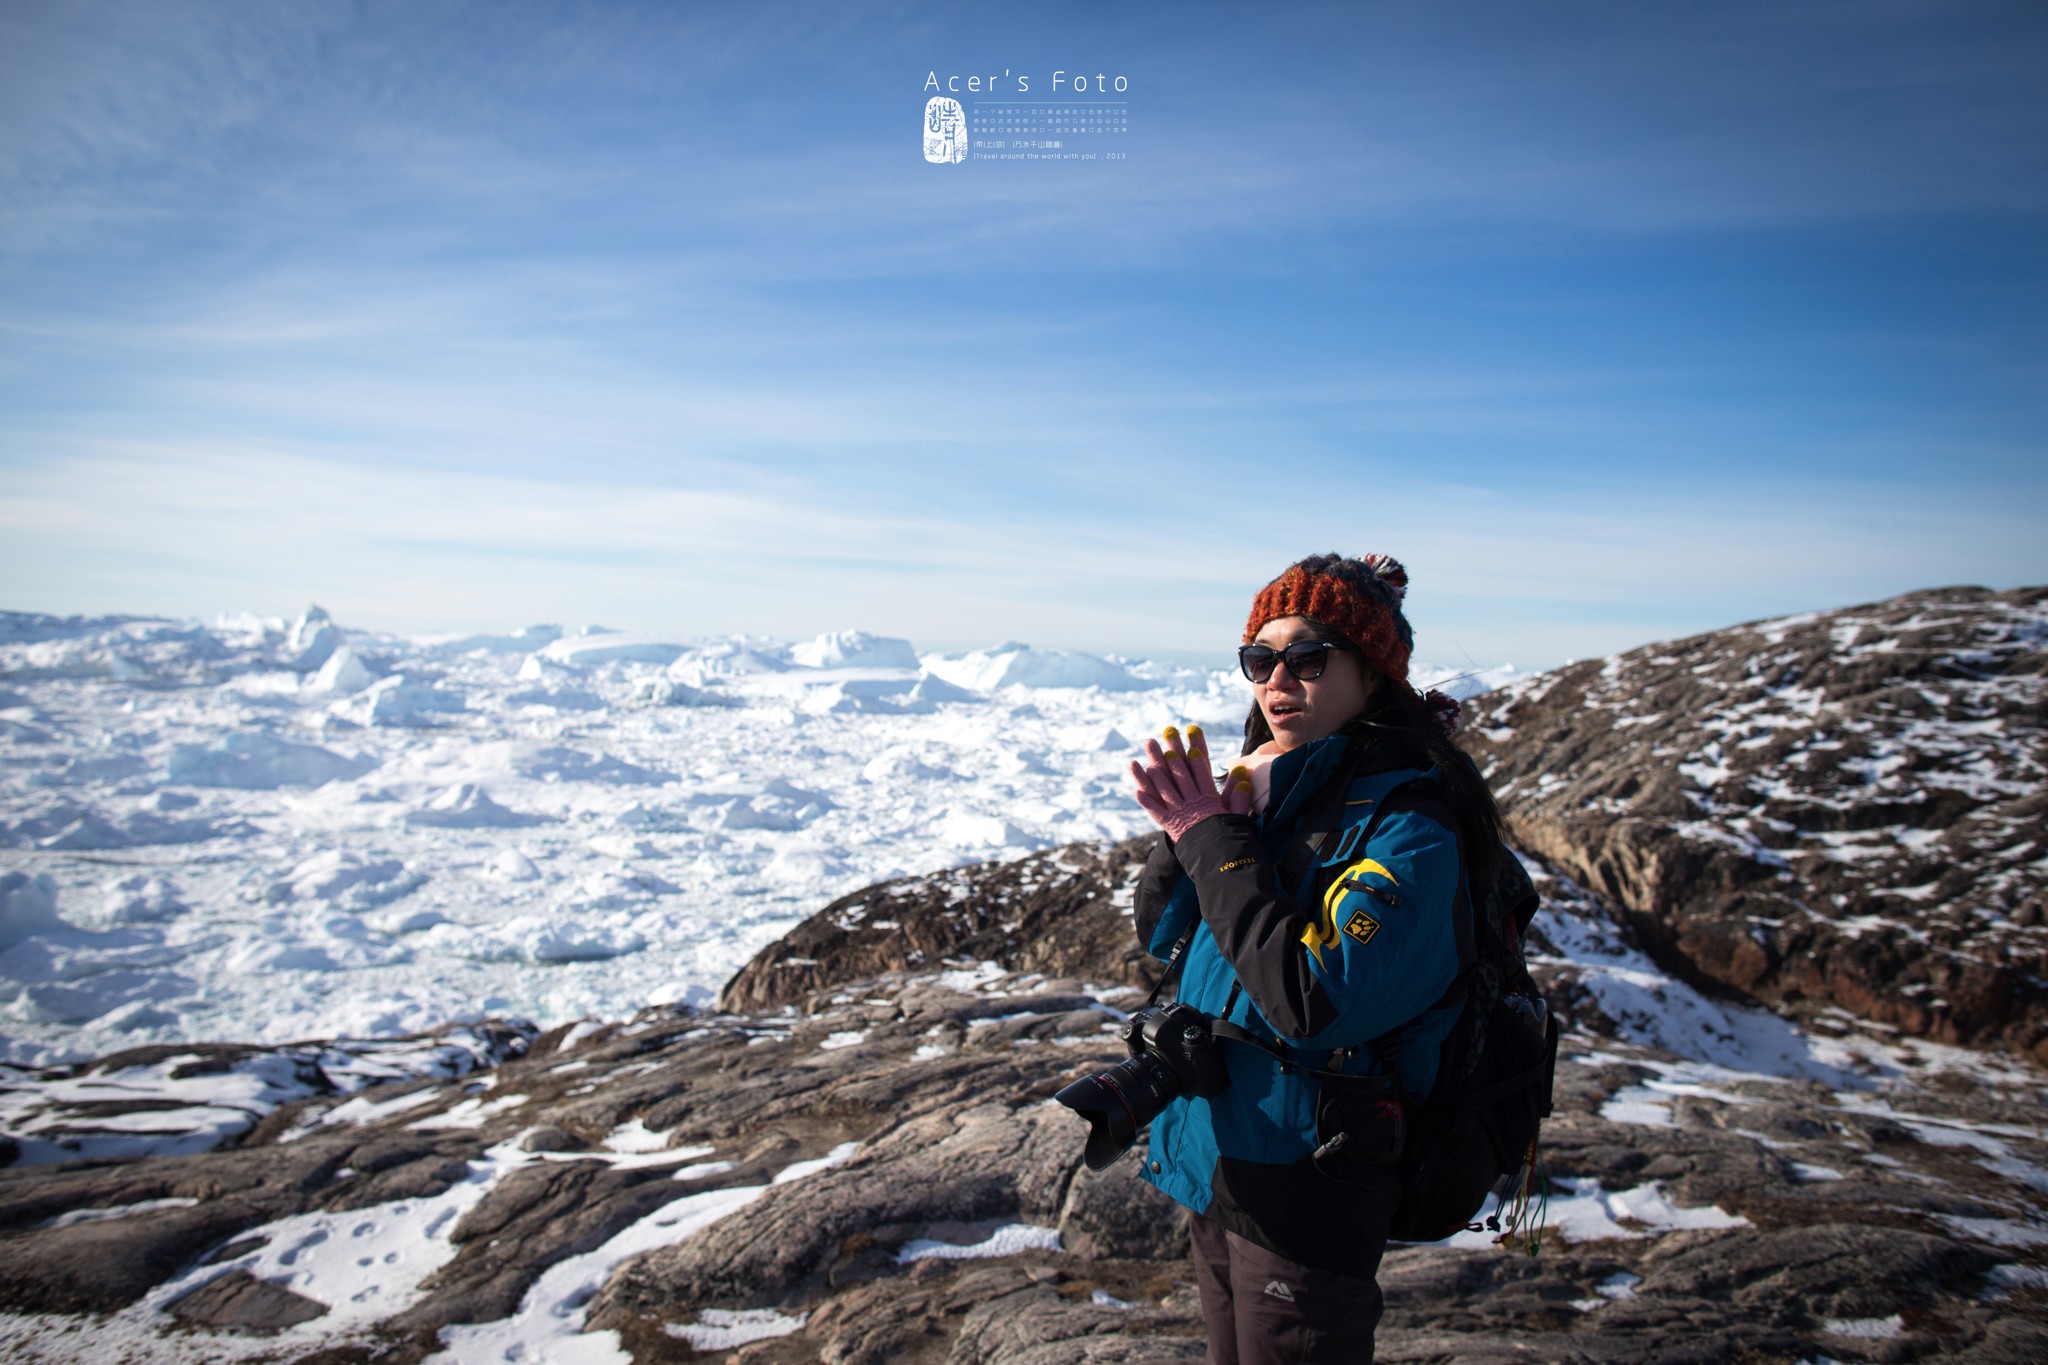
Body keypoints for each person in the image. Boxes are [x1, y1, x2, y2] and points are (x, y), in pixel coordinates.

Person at [1127, 552, 1506, 1364]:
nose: (1277, 680)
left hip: (1310, 1172)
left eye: (1308, 656)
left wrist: (1213, 840)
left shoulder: (1413, 824)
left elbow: (1312, 997)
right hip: (1219, 1152)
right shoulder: (1278, 786)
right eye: (1259, 659)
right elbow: (1164, 936)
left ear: (1372, 672)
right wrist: (1196, 828)